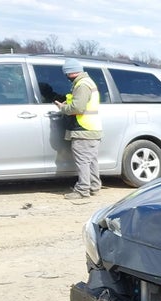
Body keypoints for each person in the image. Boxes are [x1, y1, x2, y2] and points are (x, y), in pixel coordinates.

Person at [54, 59, 102, 199]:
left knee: (83, 161)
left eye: (67, 74)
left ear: (71, 72)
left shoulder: (81, 85)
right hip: (91, 128)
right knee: (91, 160)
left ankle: (82, 190)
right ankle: (94, 186)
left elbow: (78, 108)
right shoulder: (87, 82)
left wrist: (63, 108)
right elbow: (79, 103)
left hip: (84, 129)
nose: (67, 77)